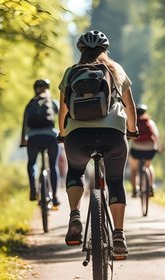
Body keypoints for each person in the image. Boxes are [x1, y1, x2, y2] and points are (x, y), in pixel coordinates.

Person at [57, 30, 139, 258]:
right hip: (112, 135)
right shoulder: (116, 70)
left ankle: (75, 215)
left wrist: (63, 134)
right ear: (105, 50)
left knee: (75, 170)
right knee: (115, 181)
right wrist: (132, 130)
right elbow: (130, 107)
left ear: (81, 51)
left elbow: (63, 110)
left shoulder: (71, 72)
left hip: (77, 136)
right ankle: (119, 236)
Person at [20, 79, 61, 207]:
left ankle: (33, 189)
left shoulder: (30, 104)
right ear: (47, 88)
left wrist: (23, 140)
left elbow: (25, 124)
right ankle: (54, 197)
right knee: (53, 165)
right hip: (51, 138)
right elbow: (61, 118)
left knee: (31, 163)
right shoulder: (52, 102)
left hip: (33, 139)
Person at [128, 104, 160, 198]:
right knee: (149, 166)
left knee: (133, 169)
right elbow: (156, 136)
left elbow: (129, 137)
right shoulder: (150, 122)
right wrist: (157, 147)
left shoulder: (133, 122)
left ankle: (134, 190)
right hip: (150, 149)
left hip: (136, 150)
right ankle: (150, 187)